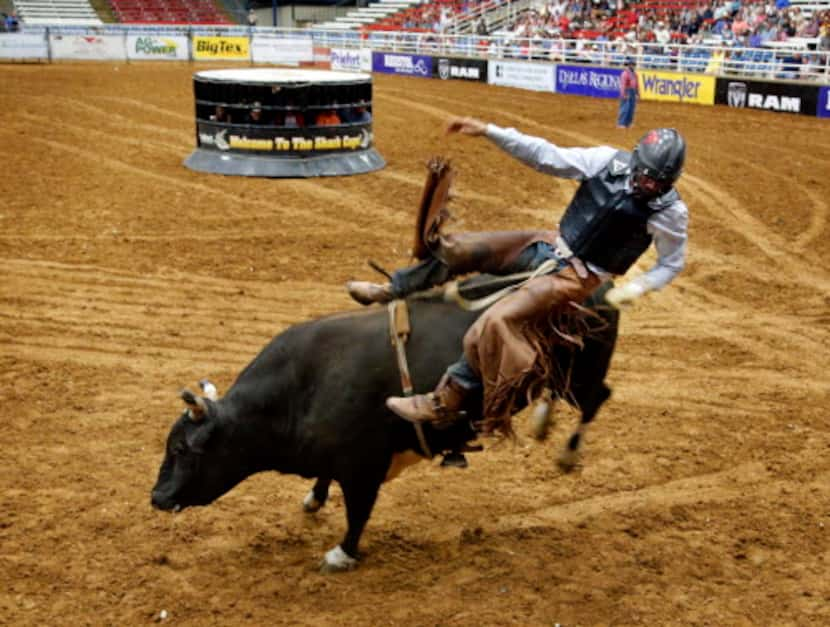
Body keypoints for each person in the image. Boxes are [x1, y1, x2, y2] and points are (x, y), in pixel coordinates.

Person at [346, 118, 688, 431]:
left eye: (657, 181)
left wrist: (639, 287)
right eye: (645, 174)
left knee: (499, 319)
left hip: (577, 279)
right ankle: (394, 287)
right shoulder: (606, 161)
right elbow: (547, 155)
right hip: (547, 244)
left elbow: (671, 262)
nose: (648, 185)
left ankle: (446, 399)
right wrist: (491, 131)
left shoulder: (670, 214)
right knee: (460, 249)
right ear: (635, 159)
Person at [617, 57, 639, 129]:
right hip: (627, 90)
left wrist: (637, 93)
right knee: (625, 108)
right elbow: (623, 85)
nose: (633, 66)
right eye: (632, 64)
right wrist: (624, 94)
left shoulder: (635, 74)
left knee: (631, 108)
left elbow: (636, 84)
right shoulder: (625, 74)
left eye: (634, 64)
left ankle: (628, 123)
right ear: (629, 65)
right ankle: (621, 123)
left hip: (632, 91)